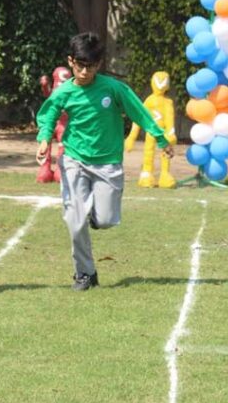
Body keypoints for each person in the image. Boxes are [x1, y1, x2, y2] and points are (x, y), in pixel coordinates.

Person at [36, 32, 174, 291]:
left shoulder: (113, 88)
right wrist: (44, 139)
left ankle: (95, 217)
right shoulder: (64, 92)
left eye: (90, 66)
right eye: (80, 65)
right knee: (75, 221)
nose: (85, 71)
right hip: (74, 160)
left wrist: (160, 138)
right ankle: (85, 273)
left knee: (108, 219)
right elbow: (49, 114)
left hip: (108, 163)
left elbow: (138, 111)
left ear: (99, 64)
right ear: (70, 61)